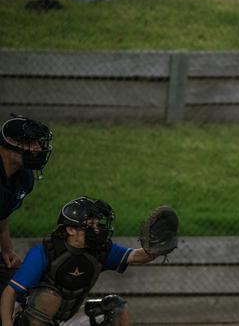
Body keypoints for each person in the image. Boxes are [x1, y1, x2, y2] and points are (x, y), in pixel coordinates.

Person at [0, 196, 162, 326]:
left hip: (69, 317)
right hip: (32, 318)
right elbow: (10, 292)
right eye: (91, 225)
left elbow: (136, 256)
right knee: (48, 297)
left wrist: (157, 247)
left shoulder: (101, 249)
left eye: (98, 224)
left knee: (116, 307)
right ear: (70, 229)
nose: (97, 229)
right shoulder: (45, 252)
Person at [0, 115, 53, 289]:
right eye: (31, 143)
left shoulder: (24, 178)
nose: (37, 149)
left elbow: (2, 213)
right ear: (9, 142)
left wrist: (7, 249)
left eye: (38, 143)